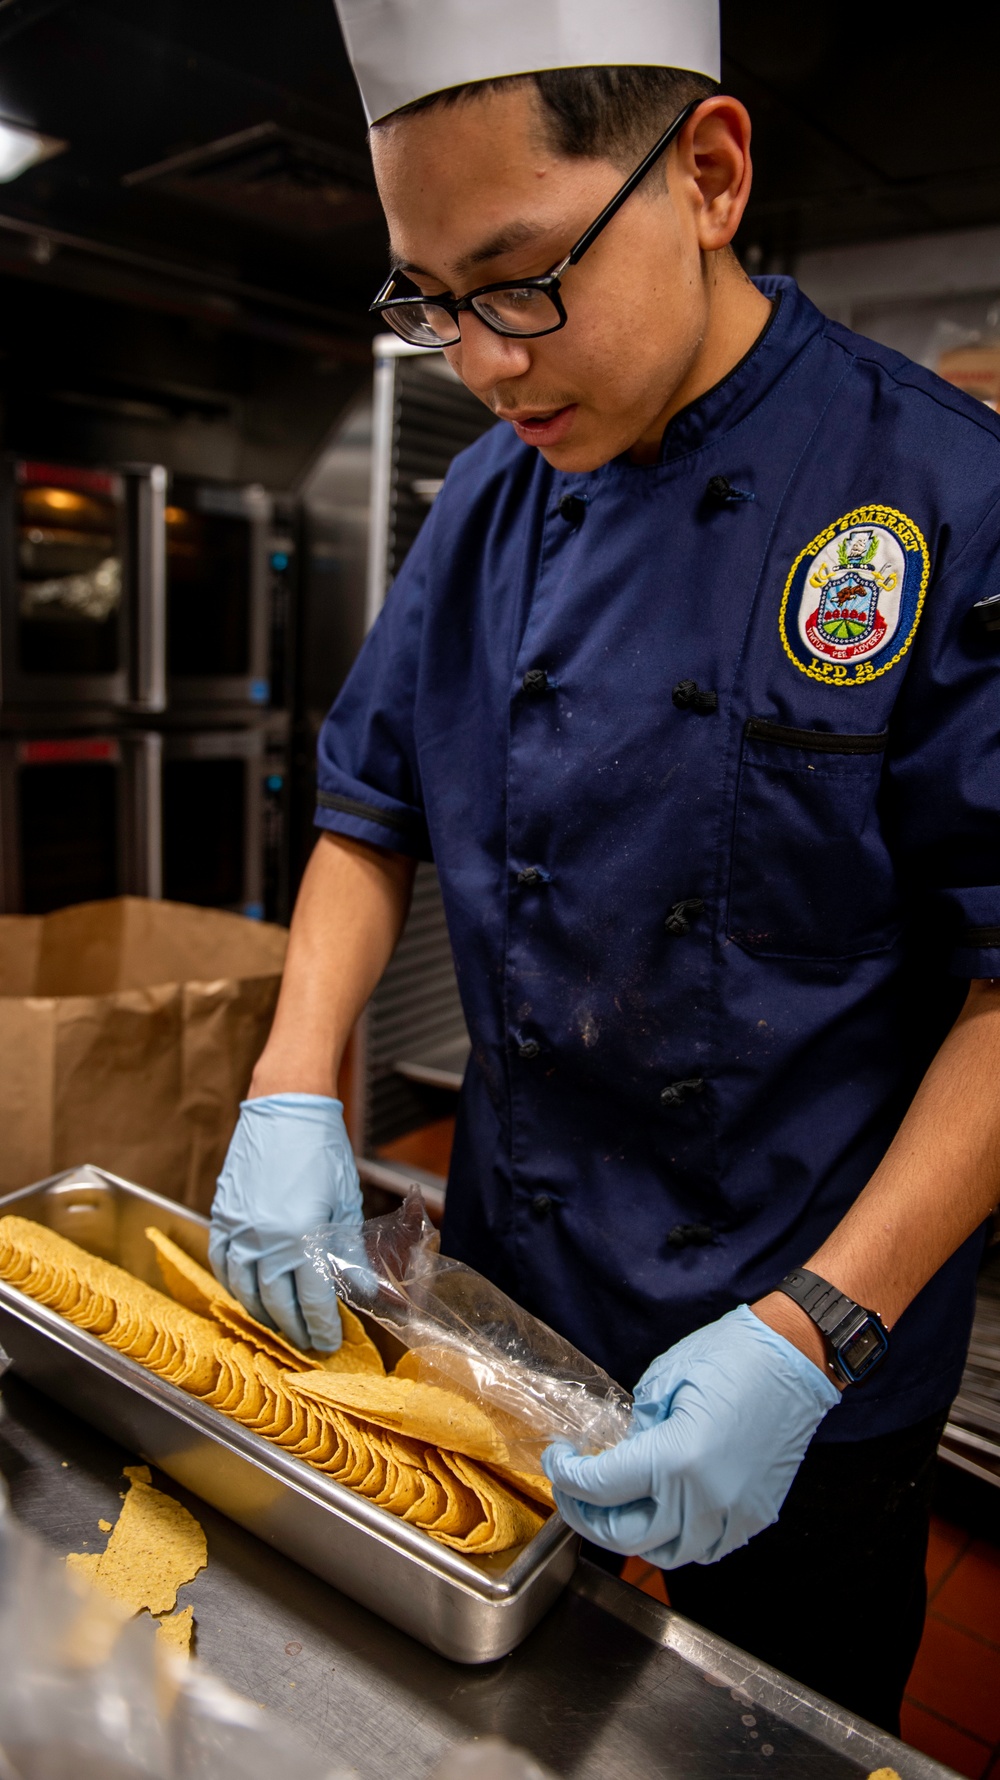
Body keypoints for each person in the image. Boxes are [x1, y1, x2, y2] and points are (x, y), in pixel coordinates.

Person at [209, 0, 1000, 1733]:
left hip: (801, 1341)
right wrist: (290, 1089)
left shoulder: (936, 499)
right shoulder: (488, 504)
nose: (483, 360)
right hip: (504, 1302)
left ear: (709, 175)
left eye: (519, 278)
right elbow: (368, 809)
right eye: (432, 300)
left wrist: (810, 1338)